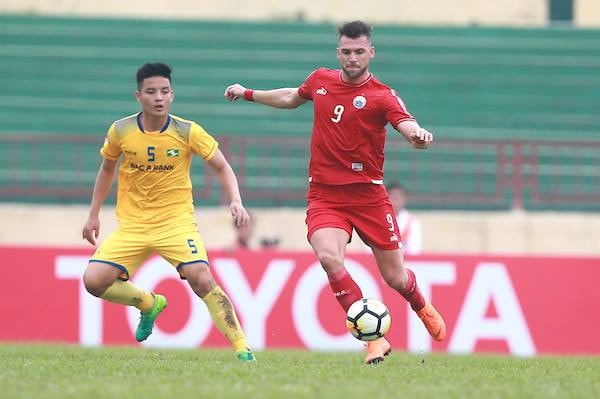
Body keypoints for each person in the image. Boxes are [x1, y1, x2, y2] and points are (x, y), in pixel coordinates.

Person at [224, 20, 445, 364]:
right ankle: (374, 341)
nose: (352, 57)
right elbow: (290, 97)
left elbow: (408, 125)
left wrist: (417, 136)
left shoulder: (382, 96)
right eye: (346, 51)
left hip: (369, 198)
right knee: (328, 257)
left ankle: (421, 305)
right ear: (337, 52)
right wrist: (248, 93)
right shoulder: (321, 80)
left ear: (371, 53)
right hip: (325, 195)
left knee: (395, 277)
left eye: (359, 52)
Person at [82, 62, 255, 362]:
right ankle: (148, 304)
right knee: (93, 281)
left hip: (175, 224)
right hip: (133, 225)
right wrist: (93, 214)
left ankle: (243, 349)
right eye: (151, 92)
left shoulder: (188, 131)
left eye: (164, 91)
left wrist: (236, 200)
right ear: (139, 96)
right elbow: (107, 168)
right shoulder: (121, 130)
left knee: (201, 277)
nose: (158, 97)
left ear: (172, 95)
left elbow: (222, 166)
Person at [386, 182, 422, 255]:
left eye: (399, 197)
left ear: (404, 199)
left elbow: (414, 249)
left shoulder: (412, 222)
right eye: (393, 197)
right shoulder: (379, 220)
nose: (396, 200)